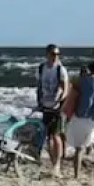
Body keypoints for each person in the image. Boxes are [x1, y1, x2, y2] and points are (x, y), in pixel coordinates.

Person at [67, 59, 94, 177]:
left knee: (79, 148)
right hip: (93, 117)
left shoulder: (80, 80)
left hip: (78, 116)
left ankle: (76, 175)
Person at [36, 44, 69, 176]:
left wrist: (60, 102)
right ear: (47, 54)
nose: (55, 56)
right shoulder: (42, 68)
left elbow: (65, 88)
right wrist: (39, 101)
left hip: (57, 106)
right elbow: (39, 86)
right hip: (45, 105)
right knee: (48, 136)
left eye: (57, 54)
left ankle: (57, 165)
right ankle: (53, 163)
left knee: (56, 135)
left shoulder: (60, 69)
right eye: (53, 54)